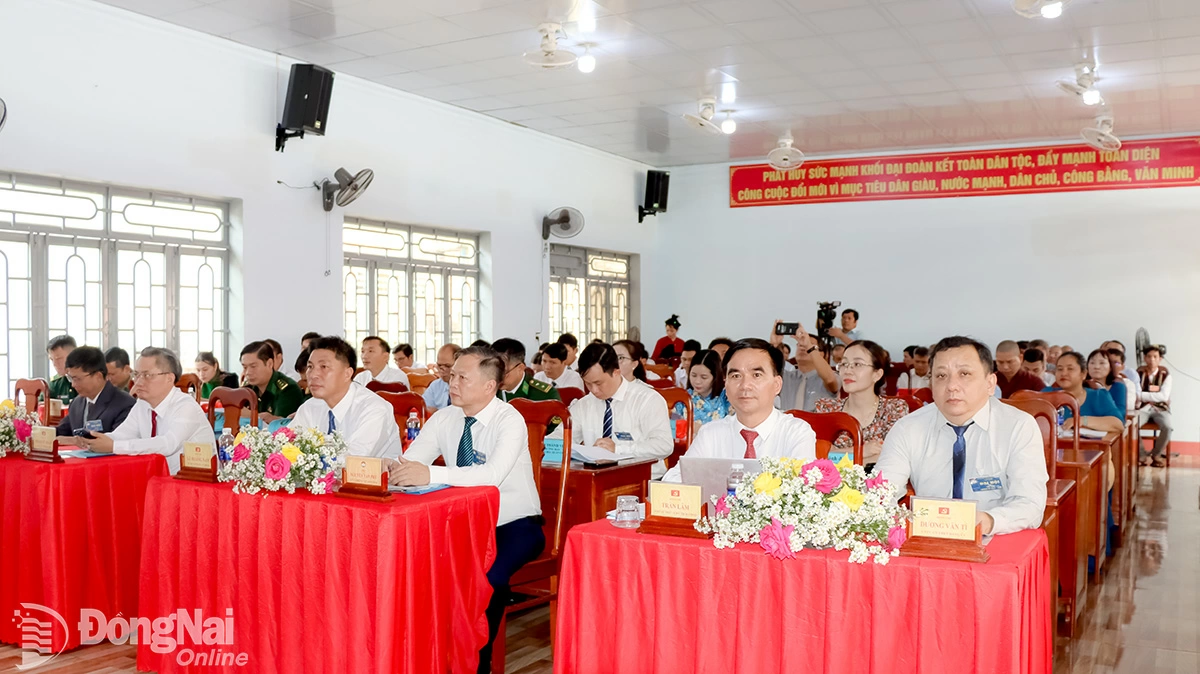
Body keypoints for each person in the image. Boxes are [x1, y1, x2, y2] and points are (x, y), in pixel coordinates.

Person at [388, 345, 544, 674]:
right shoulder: (445, 418)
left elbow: (491, 476)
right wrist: (394, 469)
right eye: (452, 375)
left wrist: (431, 474)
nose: (452, 383)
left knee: (485, 578)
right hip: (461, 523)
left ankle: (477, 664)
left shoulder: (509, 420)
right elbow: (411, 463)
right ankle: (429, 656)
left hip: (514, 523)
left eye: (462, 377)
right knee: (413, 567)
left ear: (489, 385)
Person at [875, 336, 1048, 536]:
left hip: (996, 537)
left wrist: (988, 521)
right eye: (941, 375)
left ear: (990, 383)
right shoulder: (907, 428)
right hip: (927, 539)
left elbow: (1030, 503)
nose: (952, 386)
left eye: (964, 374)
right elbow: (880, 494)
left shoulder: (1018, 426)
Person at [664, 339, 816, 483]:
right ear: (725, 385)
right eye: (736, 376)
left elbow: (803, 488)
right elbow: (674, 478)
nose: (745, 385)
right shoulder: (711, 433)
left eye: (756, 375)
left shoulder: (796, 432)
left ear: (777, 385)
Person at [77, 347, 214, 474]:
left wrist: (114, 446)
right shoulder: (142, 404)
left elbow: (168, 444)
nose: (139, 382)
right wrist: (96, 440)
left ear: (169, 378)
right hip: (156, 480)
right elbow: (123, 434)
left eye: (147, 375)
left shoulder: (185, 406)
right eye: (137, 374)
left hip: (194, 484)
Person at [570, 342, 672, 476]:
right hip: (598, 480)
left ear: (616, 372)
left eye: (598, 383)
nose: (594, 390)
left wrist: (618, 450)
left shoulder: (647, 399)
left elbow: (664, 445)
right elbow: (560, 438)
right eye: (588, 383)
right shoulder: (584, 404)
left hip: (642, 479)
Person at [290, 337, 400, 459]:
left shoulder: (374, 409)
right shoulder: (310, 407)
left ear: (347, 374)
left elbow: (353, 460)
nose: (313, 374)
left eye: (324, 367)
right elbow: (287, 446)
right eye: (310, 367)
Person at [817, 340, 909, 469]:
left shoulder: (894, 409)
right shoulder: (826, 408)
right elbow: (817, 457)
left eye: (857, 364)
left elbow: (892, 458)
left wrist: (837, 455)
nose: (847, 371)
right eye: (844, 364)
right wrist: (862, 452)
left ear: (877, 374)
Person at [55, 346, 136, 437]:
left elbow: (116, 441)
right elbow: (62, 431)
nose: (73, 385)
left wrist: (77, 441)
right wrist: (43, 432)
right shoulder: (77, 403)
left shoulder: (125, 404)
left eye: (77, 379)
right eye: (71, 378)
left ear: (98, 376)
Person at [1047, 351, 1124, 434]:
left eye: (1070, 369)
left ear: (1083, 374)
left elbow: (1118, 424)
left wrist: (1081, 420)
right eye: (1059, 369)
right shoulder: (1046, 394)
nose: (1063, 373)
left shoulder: (1098, 396)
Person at [770, 322, 838, 412]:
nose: (803, 347)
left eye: (811, 345)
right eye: (800, 344)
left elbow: (830, 379)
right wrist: (773, 345)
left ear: (823, 354)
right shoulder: (784, 377)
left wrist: (809, 346)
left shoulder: (828, 377)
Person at [240, 341, 305, 421]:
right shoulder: (247, 388)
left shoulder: (288, 389)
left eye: (253, 366)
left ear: (269, 363)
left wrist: (252, 416)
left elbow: (282, 425)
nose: (248, 372)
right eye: (245, 367)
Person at [1136, 345, 1172, 467]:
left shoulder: (1166, 375)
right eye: (1149, 356)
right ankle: (1141, 455)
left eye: (1155, 357)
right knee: (1133, 426)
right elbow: (1135, 394)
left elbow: (1163, 397)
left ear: (1160, 359)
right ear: (1144, 358)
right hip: (1142, 408)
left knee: (1168, 427)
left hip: (1160, 408)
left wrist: (1142, 395)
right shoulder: (1138, 374)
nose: (1152, 359)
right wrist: (1153, 396)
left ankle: (1156, 454)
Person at [493, 338, 559, 403]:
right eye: (493, 372)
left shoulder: (545, 395)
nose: (497, 378)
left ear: (520, 368)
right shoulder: (490, 391)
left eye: (503, 372)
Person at [687, 349, 730, 426]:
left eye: (704, 377)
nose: (697, 381)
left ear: (715, 377)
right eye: (693, 375)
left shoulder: (726, 398)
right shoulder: (684, 398)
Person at [1087, 349, 1132, 414]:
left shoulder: (1118, 386)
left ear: (1110, 367)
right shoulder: (1083, 386)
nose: (1096, 367)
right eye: (1092, 363)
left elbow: (1120, 414)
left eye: (1102, 363)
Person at [423, 343, 461, 411]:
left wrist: (438, 413)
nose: (442, 370)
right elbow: (423, 407)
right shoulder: (435, 386)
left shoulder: (468, 387)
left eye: (447, 366)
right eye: (439, 365)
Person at [47, 335, 78, 404]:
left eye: (59, 359)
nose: (55, 364)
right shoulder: (55, 384)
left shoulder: (90, 381)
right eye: (52, 360)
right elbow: (41, 404)